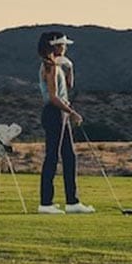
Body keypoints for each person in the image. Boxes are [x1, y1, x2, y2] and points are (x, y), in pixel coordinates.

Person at [35, 31, 95, 214]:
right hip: (55, 113)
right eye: (62, 44)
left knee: (69, 156)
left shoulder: (58, 66)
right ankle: (45, 203)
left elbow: (67, 88)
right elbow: (53, 97)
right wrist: (72, 112)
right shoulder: (50, 67)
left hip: (60, 113)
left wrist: (70, 69)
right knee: (52, 157)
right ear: (54, 45)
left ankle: (72, 202)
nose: (65, 47)